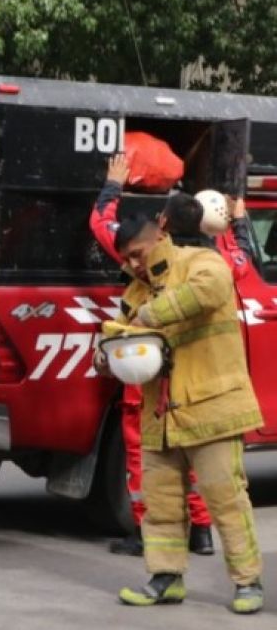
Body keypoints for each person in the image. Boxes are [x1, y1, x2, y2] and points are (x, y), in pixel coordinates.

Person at [90, 154, 254, 557]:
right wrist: (240, 220)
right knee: (209, 470)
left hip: (154, 384)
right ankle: (201, 531)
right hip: (203, 390)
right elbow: (244, 256)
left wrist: (113, 185)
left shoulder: (143, 259)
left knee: (144, 458)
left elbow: (101, 225)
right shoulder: (221, 263)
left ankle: (152, 538)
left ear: (161, 227)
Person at [101, 215, 264, 614]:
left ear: (158, 235)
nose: (135, 264)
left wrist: (150, 316)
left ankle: (248, 583)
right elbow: (115, 333)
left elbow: (210, 290)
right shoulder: (136, 292)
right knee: (161, 504)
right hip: (161, 416)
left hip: (212, 407)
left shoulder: (200, 263)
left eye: (137, 254)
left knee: (225, 499)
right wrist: (105, 356)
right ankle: (165, 578)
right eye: (128, 259)